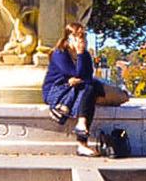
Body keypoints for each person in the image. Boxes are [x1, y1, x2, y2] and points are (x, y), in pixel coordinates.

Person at [43, 22, 105, 155]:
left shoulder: (85, 55)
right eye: (79, 37)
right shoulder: (59, 53)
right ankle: (82, 141)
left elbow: (87, 76)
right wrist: (76, 76)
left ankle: (81, 125)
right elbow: (74, 73)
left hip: (77, 89)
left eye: (84, 37)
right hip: (57, 90)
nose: (83, 41)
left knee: (91, 87)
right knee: (91, 87)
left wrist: (81, 55)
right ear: (69, 38)